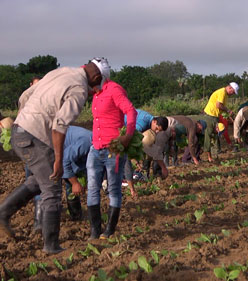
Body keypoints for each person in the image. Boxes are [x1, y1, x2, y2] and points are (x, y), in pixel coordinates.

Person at [0, 58, 103, 254]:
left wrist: (24, 117)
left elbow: (25, 96)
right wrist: (58, 159)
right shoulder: (79, 89)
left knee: (38, 181)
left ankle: (3, 212)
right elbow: (59, 125)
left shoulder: (61, 71)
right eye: (96, 87)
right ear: (96, 77)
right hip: (34, 137)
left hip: (19, 131)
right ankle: (51, 245)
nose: (94, 92)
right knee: (53, 189)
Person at [86, 60, 138, 240]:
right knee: (92, 188)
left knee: (113, 189)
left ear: (99, 75)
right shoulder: (95, 93)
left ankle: (109, 230)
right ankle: (95, 231)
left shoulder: (114, 89)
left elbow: (131, 111)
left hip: (114, 148)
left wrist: (128, 136)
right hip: (96, 147)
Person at [31, 126, 92, 232]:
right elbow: (65, 160)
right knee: (46, 184)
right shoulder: (87, 143)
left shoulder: (94, 146)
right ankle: (39, 223)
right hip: (45, 148)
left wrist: (81, 182)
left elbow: (81, 164)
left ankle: (76, 217)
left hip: (63, 150)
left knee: (73, 177)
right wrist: (75, 183)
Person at [123, 109, 169, 196]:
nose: (157, 132)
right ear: (154, 122)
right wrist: (136, 162)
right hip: (117, 127)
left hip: (127, 129)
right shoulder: (142, 124)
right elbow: (129, 141)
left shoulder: (150, 121)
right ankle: (132, 190)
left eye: (159, 131)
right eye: (156, 129)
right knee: (125, 158)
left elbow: (153, 150)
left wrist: (163, 167)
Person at [202, 82, 238, 162]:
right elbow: (218, 105)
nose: (233, 94)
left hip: (215, 116)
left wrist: (228, 116)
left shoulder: (225, 95)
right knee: (210, 134)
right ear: (230, 88)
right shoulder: (222, 92)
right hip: (210, 115)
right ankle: (210, 156)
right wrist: (228, 110)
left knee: (216, 135)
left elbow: (221, 108)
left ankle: (215, 155)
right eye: (233, 92)